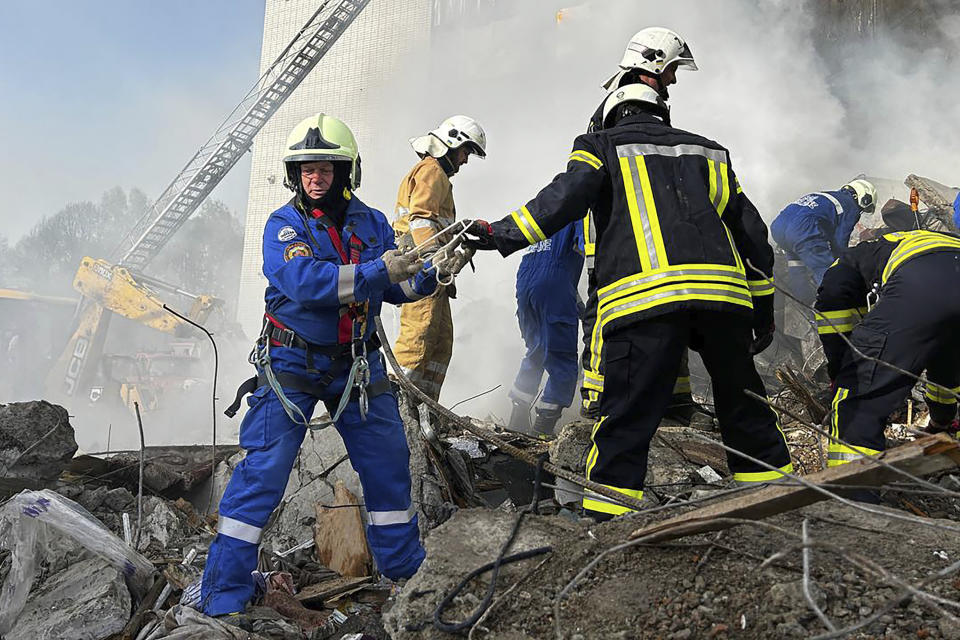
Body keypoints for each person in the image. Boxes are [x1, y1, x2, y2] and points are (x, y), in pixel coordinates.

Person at [463, 77, 792, 519]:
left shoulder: (599, 146)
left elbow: (561, 200)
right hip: (723, 298)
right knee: (743, 401)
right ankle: (776, 501)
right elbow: (752, 234)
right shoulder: (709, 151)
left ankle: (607, 519)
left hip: (646, 299)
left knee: (628, 414)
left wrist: (497, 233)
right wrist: (764, 311)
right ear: (662, 113)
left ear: (613, 115)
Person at [203, 114, 468, 618]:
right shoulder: (285, 225)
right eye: (304, 168)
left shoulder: (369, 223)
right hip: (291, 366)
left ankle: (406, 575)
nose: (314, 177)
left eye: (324, 167)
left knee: (390, 470)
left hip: (358, 368)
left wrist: (432, 276)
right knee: (262, 475)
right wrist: (379, 270)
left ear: (345, 172)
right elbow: (307, 282)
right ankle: (223, 596)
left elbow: (394, 286)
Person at [579, 28, 705, 424]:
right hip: (616, 230)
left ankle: (674, 403)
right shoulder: (623, 108)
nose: (672, 80)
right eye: (670, 70)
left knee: (666, 305)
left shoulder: (626, 104)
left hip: (638, 226)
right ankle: (599, 402)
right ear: (651, 64)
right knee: (605, 306)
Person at [816, 229, 960, 468]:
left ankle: (852, 492)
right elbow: (946, 372)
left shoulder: (852, 256)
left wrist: (841, 368)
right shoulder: (932, 236)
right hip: (947, 270)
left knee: (858, 396)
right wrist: (940, 424)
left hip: (921, 283)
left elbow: (832, 300)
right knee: (947, 352)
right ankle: (944, 425)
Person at [392, 116, 487, 400]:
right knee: (418, 339)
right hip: (422, 269)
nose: (465, 161)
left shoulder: (437, 177)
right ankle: (397, 406)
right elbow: (420, 219)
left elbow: (434, 223)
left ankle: (427, 410)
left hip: (433, 273)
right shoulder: (432, 170)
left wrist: (458, 237)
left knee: (440, 343)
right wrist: (433, 260)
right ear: (452, 143)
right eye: (465, 152)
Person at [507, 219, 583, 438]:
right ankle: (542, 430)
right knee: (562, 358)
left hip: (525, 282)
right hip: (553, 284)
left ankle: (516, 421)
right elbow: (591, 250)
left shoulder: (546, 210)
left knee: (537, 350)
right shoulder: (578, 212)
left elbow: (547, 272)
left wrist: (577, 304)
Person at [769, 180, 877, 305]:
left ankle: (806, 302)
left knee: (797, 267)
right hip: (803, 231)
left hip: (778, 228)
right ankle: (833, 305)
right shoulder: (850, 205)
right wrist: (842, 264)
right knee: (826, 269)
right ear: (864, 198)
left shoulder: (826, 195)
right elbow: (840, 241)